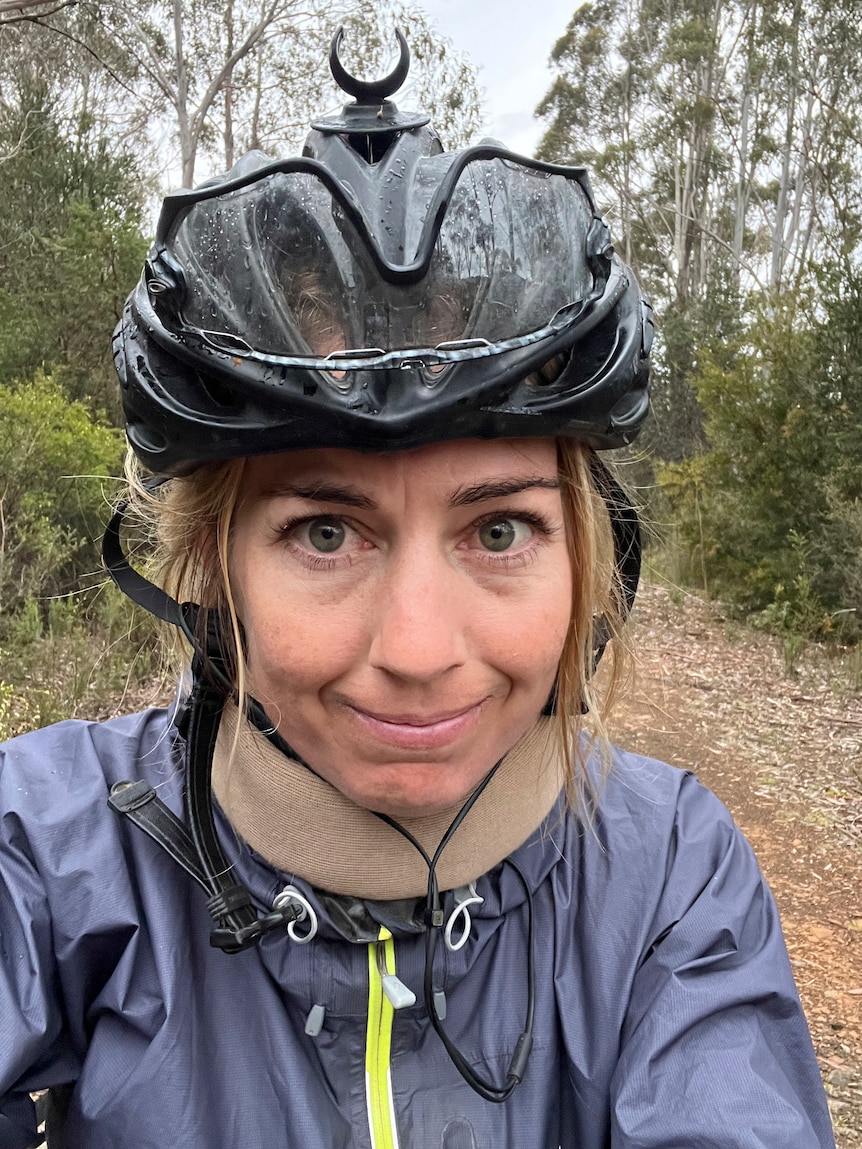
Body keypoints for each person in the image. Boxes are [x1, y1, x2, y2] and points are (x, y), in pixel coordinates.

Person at [0, 28, 835, 1149]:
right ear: (214, 566)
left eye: (498, 527)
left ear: (589, 557)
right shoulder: (49, 851)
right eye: (326, 531)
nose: (419, 646)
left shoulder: (667, 870)